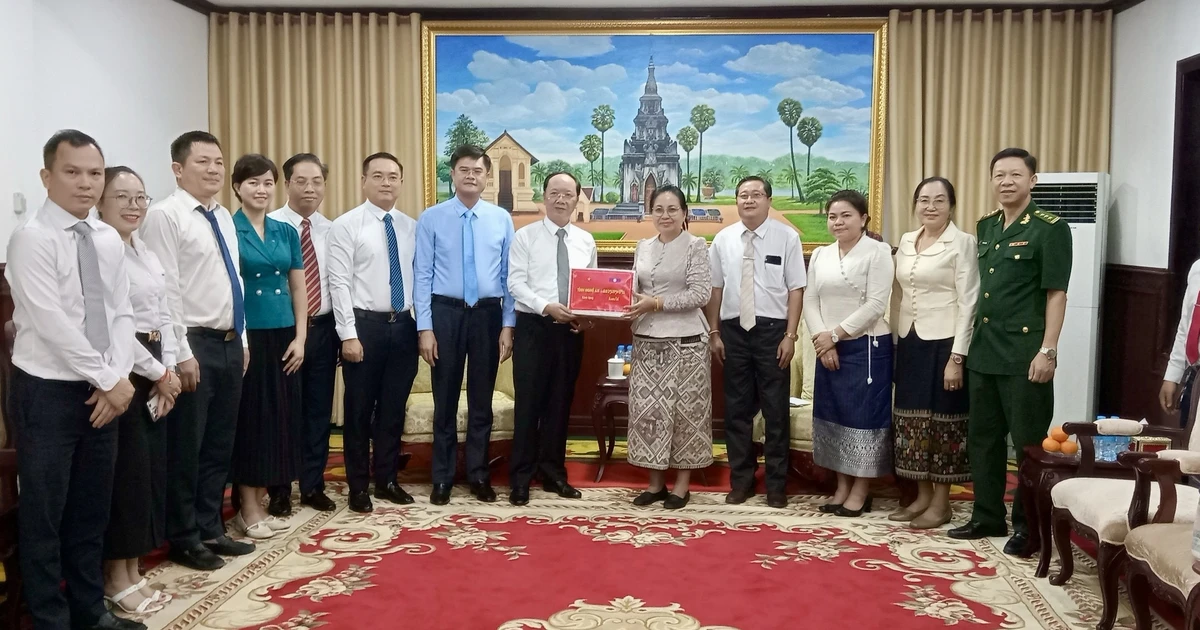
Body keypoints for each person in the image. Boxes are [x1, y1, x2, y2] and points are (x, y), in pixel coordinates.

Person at [7, 130, 145, 630]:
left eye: (94, 174)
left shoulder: (107, 237)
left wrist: (115, 377)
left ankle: (90, 611)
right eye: (72, 172)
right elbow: (51, 323)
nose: (86, 184)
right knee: (45, 513)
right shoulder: (31, 239)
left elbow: (121, 311)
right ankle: (49, 618)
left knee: (91, 510)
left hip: (102, 387)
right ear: (47, 177)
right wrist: (111, 380)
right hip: (47, 392)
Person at [949, 148, 1072, 556]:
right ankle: (986, 515)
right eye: (999, 174)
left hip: (1025, 354)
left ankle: (1028, 528)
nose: (1006, 181)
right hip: (985, 351)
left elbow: (1056, 294)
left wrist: (1048, 350)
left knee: (1028, 444)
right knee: (982, 439)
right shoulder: (986, 227)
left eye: (1015, 175)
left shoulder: (1050, 228)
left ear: (1032, 181)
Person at [141, 131, 254, 571]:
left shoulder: (223, 215)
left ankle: (211, 526)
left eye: (219, 162)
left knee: (219, 444)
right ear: (177, 168)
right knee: (187, 446)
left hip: (228, 342)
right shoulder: (165, 216)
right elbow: (164, 289)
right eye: (203, 162)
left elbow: (234, 280)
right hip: (193, 344)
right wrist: (180, 352)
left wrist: (242, 339)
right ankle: (184, 535)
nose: (214, 170)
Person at [98, 167, 183, 615]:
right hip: (122, 371)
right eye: (122, 197)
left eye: (140, 197)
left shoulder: (144, 250)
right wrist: (156, 373)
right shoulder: (100, 251)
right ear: (101, 201)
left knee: (149, 473)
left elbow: (163, 314)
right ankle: (115, 576)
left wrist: (168, 369)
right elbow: (116, 327)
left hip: (154, 365)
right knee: (125, 477)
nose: (133, 205)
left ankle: (134, 568)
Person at [414, 144, 516, 506]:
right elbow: (422, 275)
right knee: (445, 398)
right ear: (452, 175)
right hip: (445, 314)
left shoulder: (501, 219)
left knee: (481, 400)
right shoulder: (432, 218)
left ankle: (478, 474)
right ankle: (441, 477)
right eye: (463, 169)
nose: (471, 175)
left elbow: (508, 277)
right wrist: (424, 328)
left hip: (488, 315)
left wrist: (508, 324)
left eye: (477, 170)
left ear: (486, 177)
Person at [327, 152, 419, 513]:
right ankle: (358, 486)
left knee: (393, 410)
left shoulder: (411, 227)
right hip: (364, 327)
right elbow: (338, 284)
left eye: (393, 176)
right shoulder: (346, 225)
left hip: (404, 326)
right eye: (377, 176)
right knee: (359, 410)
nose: (386, 182)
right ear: (363, 180)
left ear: (401, 182)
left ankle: (387, 480)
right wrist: (347, 334)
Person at [708, 176, 806, 509]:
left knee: (776, 411)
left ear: (768, 199)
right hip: (733, 330)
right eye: (743, 195)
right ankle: (742, 481)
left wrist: (790, 336)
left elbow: (796, 289)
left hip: (772, 333)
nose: (749, 200)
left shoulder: (787, 237)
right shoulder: (723, 239)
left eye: (756, 195)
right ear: (736, 200)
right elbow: (716, 290)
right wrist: (714, 332)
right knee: (737, 410)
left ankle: (777, 485)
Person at [888, 177, 979, 529]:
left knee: (944, 424)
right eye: (924, 199)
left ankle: (942, 504)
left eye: (939, 200)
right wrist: (895, 341)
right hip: (909, 340)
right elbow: (898, 294)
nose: (930, 206)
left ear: (951, 206)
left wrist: (958, 357)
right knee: (911, 421)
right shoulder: (908, 241)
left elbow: (969, 300)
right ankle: (922, 496)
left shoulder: (963, 243)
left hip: (945, 343)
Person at [227, 154, 307, 538]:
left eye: (267, 183)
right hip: (249, 337)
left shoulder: (285, 231)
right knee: (251, 422)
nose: (261, 190)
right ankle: (245, 507)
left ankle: (261, 502)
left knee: (278, 420)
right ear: (237, 188)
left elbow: (298, 286)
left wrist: (302, 336)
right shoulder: (229, 229)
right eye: (253, 183)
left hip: (284, 334)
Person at [506, 171, 596, 506]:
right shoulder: (525, 237)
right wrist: (546, 307)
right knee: (528, 405)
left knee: (560, 405)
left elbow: (591, 288)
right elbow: (515, 284)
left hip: (569, 331)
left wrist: (586, 317)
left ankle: (554, 474)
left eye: (568, 194)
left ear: (577, 199)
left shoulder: (585, 241)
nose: (561, 199)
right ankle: (521, 478)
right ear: (543, 196)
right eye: (554, 193)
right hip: (534, 327)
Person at [804, 190, 895, 517]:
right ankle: (841, 486)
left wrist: (836, 336)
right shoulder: (820, 255)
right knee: (834, 416)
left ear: (863, 219)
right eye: (832, 216)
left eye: (846, 215)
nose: (838, 222)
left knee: (862, 418)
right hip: (826, 345)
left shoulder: (878, 252)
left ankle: (861, 490)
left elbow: (875, 305)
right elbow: (810, 302)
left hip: (865, 347)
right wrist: (820, 339)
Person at [625, 185, 713, 509]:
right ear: (651, 213)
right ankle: (655, 484)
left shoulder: (696, 246)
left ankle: (682, 486)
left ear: (684, 213)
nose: (665, 215)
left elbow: (700, 294)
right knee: (650, 413)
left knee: (686, 414)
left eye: (672, 209)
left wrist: (656, 303)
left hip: (686, 342)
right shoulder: (643, 246)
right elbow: (632, 288)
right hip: (647, 340)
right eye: (658, 209)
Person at [268, 153, 338, 514]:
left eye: (317, 182)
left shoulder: (331, 229)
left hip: (324, 330)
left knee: (317, 412)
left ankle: (313, 485)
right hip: (282, 334)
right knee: (283, 411)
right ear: (287, 183)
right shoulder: (270, 225)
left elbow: (339, 285)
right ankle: (279, 487)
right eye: (301, 181)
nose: (310, 189)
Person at [1160, 258, 1200, 426]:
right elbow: (1186, 325)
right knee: (1188, 445)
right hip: (1195, 377)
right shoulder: (1197, 268)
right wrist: (1172, 375)